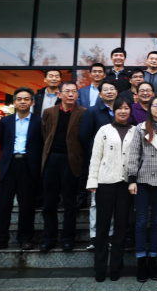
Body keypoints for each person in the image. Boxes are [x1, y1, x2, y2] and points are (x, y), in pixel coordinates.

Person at [0, 88, 43, 253]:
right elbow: (1, 141)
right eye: (19, 99)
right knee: (4, 204)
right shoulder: (5, 121)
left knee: (27, 205)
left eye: (26, 99)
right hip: (9, 165)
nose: (23, 101)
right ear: (14, 102)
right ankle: (0, 239)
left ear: (32, 102)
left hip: (28, 165)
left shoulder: (39, 121)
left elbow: (41, 142)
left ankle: (25, 239)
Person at [87, 98, 136, 283]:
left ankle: (116, 267)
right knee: (102, 226)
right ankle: (100, 268)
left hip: (125, 184)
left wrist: (134, 181)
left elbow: (137, 158)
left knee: (121, 227)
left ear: (130, 111)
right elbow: (95, 157)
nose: (123, 111)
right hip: (105, 183)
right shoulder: (104, 130)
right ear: (113, 111)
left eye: (126, 108)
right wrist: (92, 180)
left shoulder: (135, 131)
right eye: (119, 108)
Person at [128, 96, 157, 283]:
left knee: (156, 222)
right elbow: (133, 154)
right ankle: (141, 262)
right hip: (142, 180)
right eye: (155, 105)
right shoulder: (140, 128)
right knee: (141, 223)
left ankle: (153, 261)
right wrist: (132, 179)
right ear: (149, 109)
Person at [40, 82, 85, 253]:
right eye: (67, 91)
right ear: (59, 94)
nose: (71, 94)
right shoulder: (49, 112)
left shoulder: (83, 113)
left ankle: (68, 239)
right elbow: (45, 133)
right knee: (49, 202)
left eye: (74, 91)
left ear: (77, 95)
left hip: (71, 160)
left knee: (70, 202)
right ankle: (49, 238)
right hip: (51, 158)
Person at [78, 82, 118, 250]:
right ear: (100, 94)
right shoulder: (92, 112)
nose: (109, 92)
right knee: (96, 202)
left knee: (115, 202)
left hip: (118, 163)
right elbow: (84, 136)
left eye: (112, 89)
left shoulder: (122, 110)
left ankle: (111, 234)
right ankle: (95, 237)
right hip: (99, 163)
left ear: (117, 92)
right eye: (105, 90)